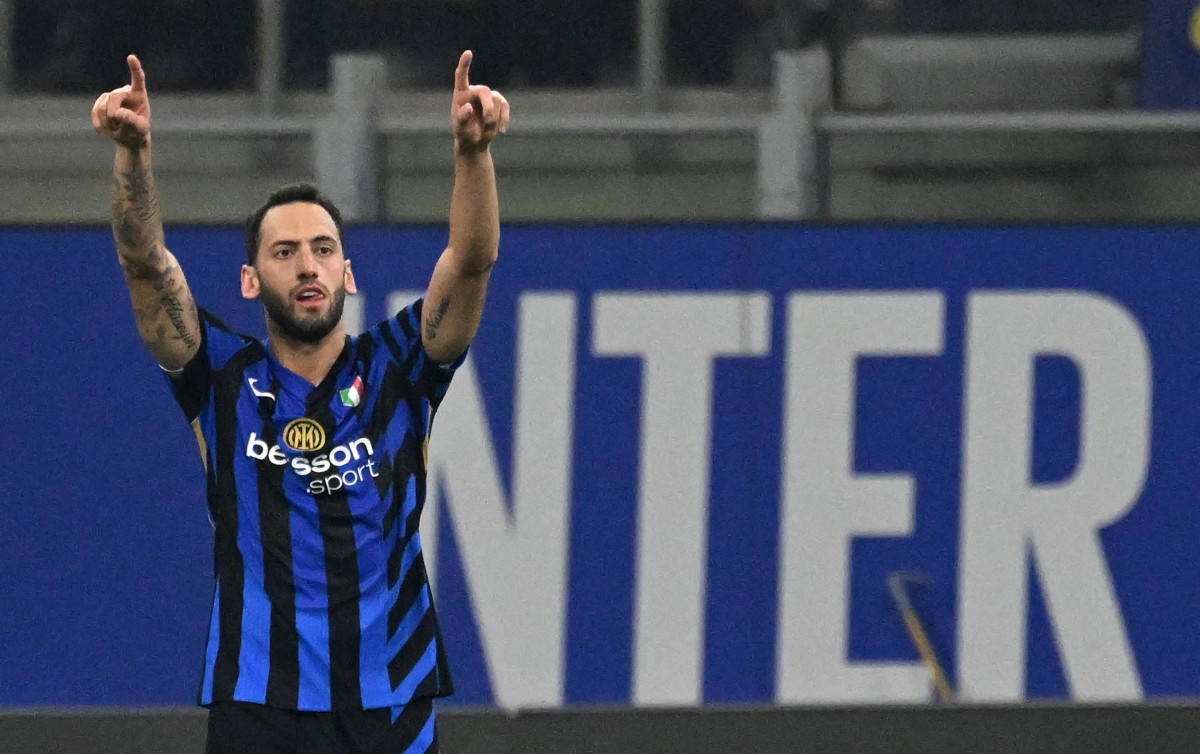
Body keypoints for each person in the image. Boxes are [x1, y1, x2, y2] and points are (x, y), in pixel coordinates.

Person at [90, 50, 509, 753]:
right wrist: (133, 154)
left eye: (322, 249)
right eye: (284, 253)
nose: (307, 265)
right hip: (259, 707)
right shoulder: (219, 377)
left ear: (347, 272)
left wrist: (473, 154)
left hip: (392, 703)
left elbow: (470, 261)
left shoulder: (400, 367)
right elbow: (145, 263)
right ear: (251, 281)